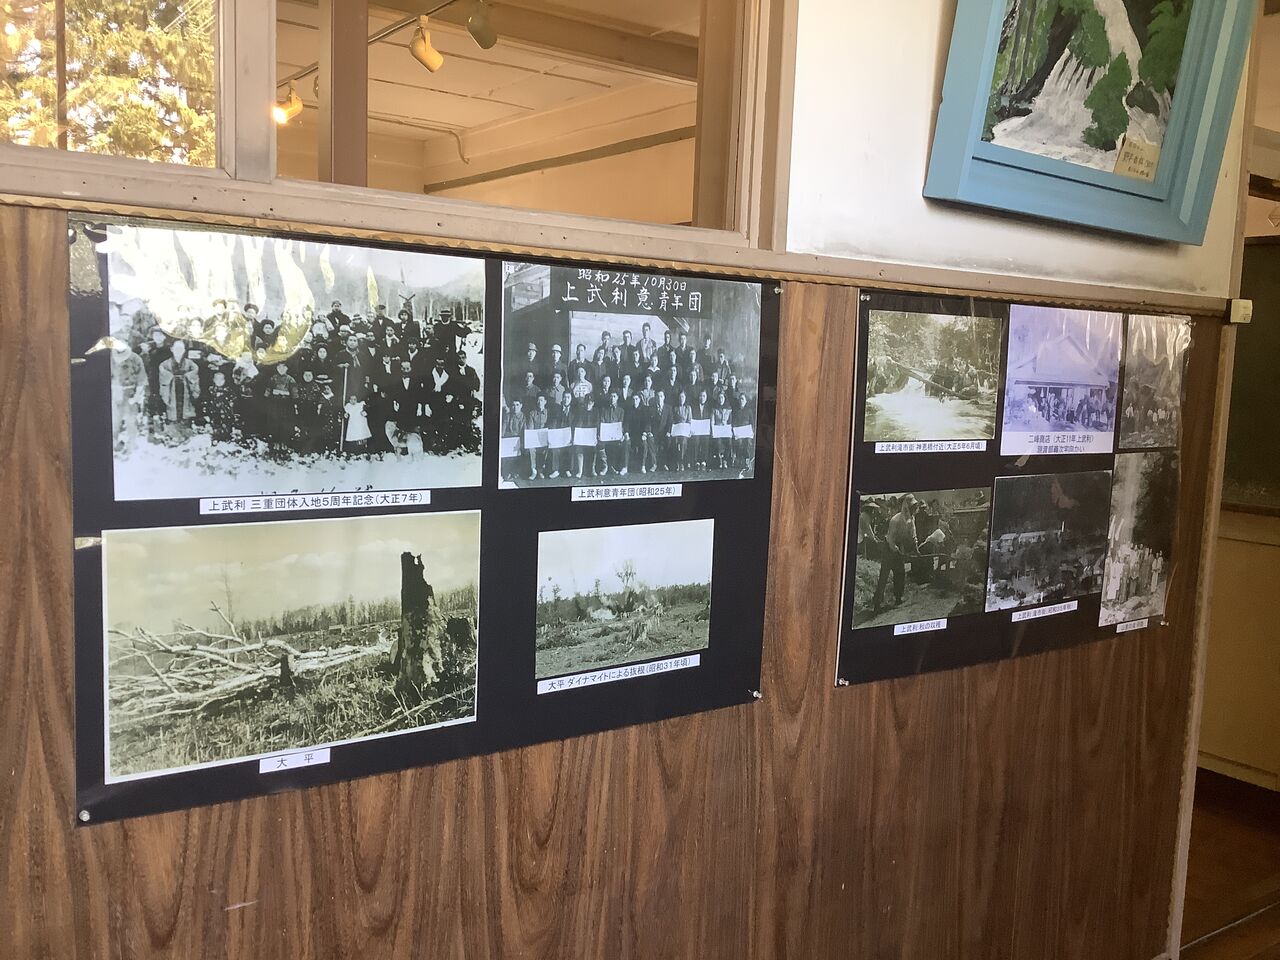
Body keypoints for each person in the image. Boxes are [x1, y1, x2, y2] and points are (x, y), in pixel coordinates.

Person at [874, 496, 920, 612]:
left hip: (900, 545)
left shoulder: (911, 519)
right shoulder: (895, 520)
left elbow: (913, 534)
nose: (914, 510)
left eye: (914, 508)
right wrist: (897, 551)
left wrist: (916, 548)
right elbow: (890, 539)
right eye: (912, 508)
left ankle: (898, 597)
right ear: (907, 507)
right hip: (889, 548)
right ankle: (877, 603)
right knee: (884, 575)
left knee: (900, 573)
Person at [157, 339, 200, 441]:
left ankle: (186, 430)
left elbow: (195, 370)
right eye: (176, 348)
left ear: (184, 350)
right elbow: (162, 371)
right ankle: (173, 432)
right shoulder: (165, 364)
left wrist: (187, 376)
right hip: (172, 389)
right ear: (172, 349)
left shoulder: (189, 363)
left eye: (181, 348)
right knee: (172, 410)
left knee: (186, 410)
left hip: (185, 390)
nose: (178, 350)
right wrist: (171, 377)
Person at [109, 339, 146, 451]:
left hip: (130, 392)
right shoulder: (110, 358)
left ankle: (132, 442)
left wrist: (137, 396)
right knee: (115, 419)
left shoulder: (135, 358)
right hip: (115, 392)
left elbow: (141, 378)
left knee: (131, 419)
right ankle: (113, 442)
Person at [625, 392, 654, 475]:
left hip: (641, 434)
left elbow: (647, 422)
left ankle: (643, 466)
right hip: (631, 434)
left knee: (644, 444)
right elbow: (626, 423)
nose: (635, 401)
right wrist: (626, 433)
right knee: (626, 443)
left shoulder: (645, 409)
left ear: (640, 400)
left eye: (636, 399)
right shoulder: (629, 410)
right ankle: (625, 467)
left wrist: (644, 433)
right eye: (633, 399)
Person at [597, 390, 624, 476]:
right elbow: (601, 422)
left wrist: (621, 434)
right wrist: (601, 434)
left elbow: (621, 424)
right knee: (600, 444)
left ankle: (612, 466)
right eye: (611, 396)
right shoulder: (604, 410)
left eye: (614, 396)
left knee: (616, 444)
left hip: (616, 435)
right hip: (606, 434)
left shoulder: (621, 410)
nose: (612, 398)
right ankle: (605, 466)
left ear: (617, 398)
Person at [572, 394, 598, 479]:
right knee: (579, 448)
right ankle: (580, 470)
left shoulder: (596, 412)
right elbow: (578, 424)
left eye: (590, 403)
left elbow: (597, 424)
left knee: (594, 449)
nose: (587, 405)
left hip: (592, 436)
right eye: (586, 403)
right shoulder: (581, 412)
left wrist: (596, 436)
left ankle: (593, 469)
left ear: (593, 403)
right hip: (582, 435)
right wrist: (577, 436)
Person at [525, 393, 550, 480]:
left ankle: (541, 470)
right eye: (538, 400)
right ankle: (534, 470)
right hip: (534, 437)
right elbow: (530, 428)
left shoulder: (548, 412)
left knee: (546, 449)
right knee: (531, 449)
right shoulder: (532, 413)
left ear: (545, 402)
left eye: (541, 400)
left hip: (545, 437)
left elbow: (550, 426)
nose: (540, 402)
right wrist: (533, 439)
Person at [672, 389, 692, 471]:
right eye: (680, 397)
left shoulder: (688, 408)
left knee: (683, 441)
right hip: (677, 429)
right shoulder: (675, 408)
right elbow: (673, 420)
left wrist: (689, 431)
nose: (681, 399)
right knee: (675, 441)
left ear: (685, 398)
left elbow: (690, 421)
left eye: (683, 397)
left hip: (685, 430)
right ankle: (677, 461)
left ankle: (682, 461)